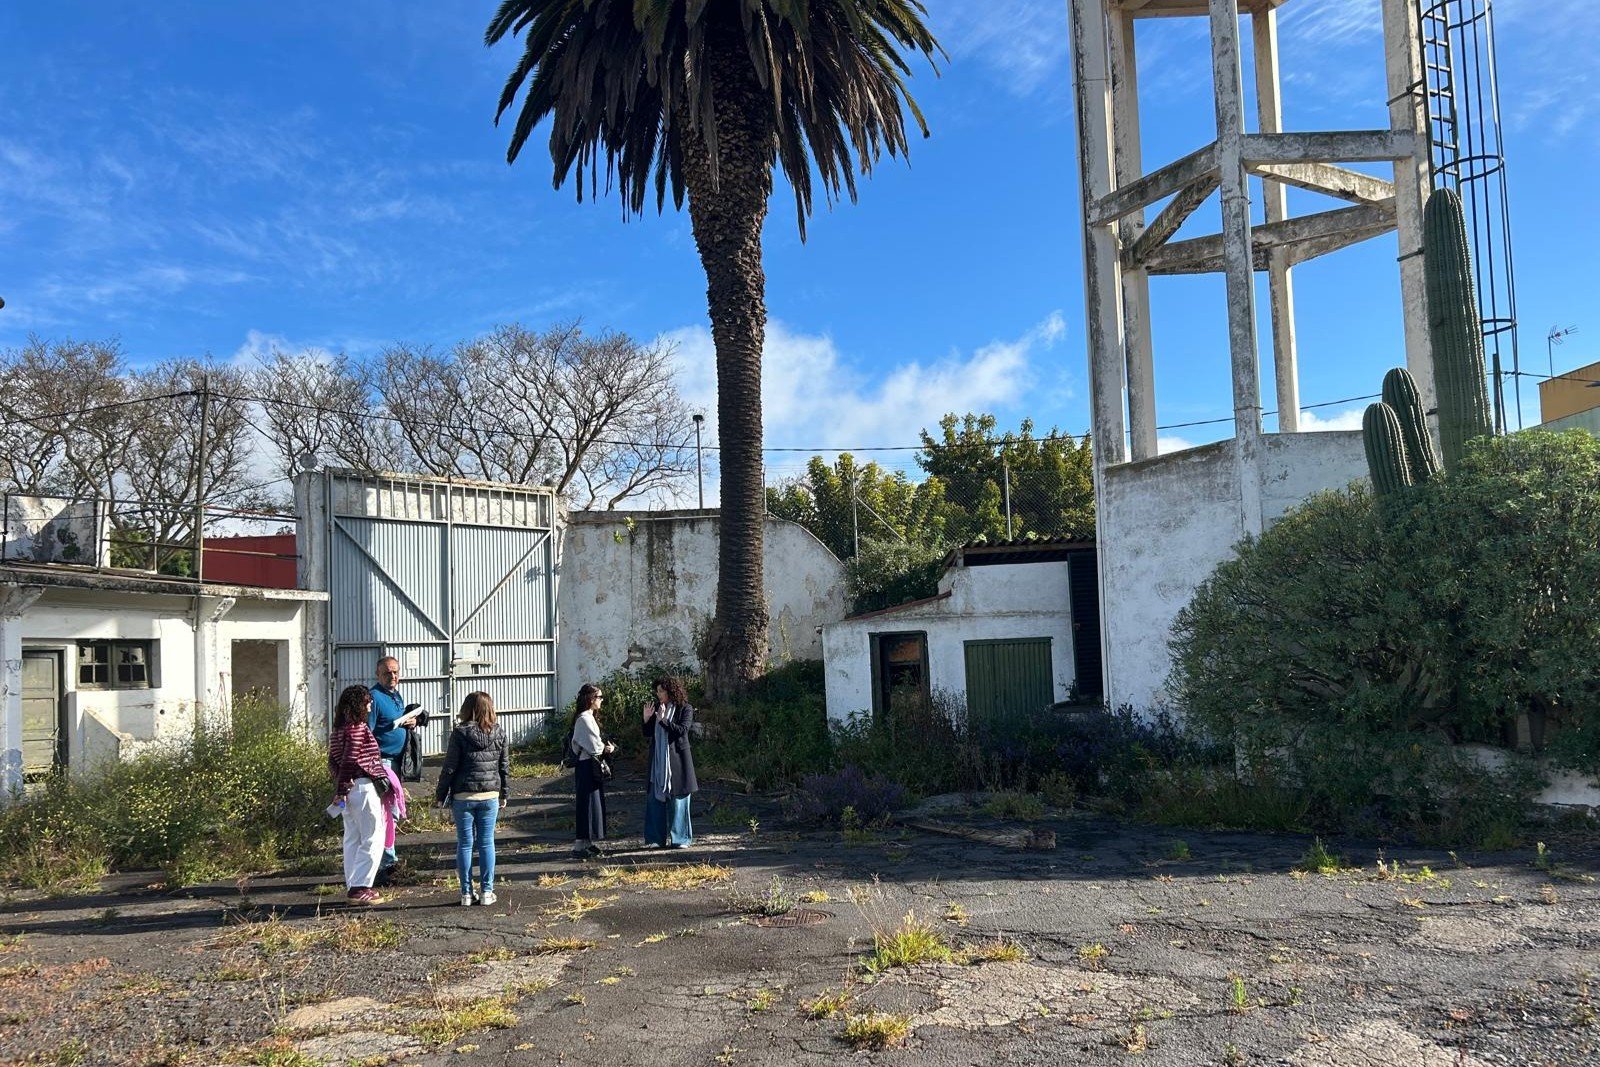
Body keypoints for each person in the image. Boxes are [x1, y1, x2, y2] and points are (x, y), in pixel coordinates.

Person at [435, 691, 509, 907]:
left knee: (465, 844)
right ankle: (487, 892)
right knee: (487, 843)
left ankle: (466, 893)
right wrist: (505, 792)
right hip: (490, 795)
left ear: (466, 709)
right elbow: (504, 767)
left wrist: (440, 795)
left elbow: (449, 767)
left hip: (463, 795)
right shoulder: (500, 733)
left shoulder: (459, 734)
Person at [328, 685, 389, 905]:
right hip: (362, 786)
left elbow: (334, 761)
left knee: (352, 838)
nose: (370, 705)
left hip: (350, 790)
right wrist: (344, 786)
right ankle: (361, 887)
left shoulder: (338, 729)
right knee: (373, 836)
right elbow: (351, 759)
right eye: (367, 701)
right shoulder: (357, 727)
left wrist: (341, 788)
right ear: (358, 704)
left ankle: (353, 884)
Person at [369, 655, 419, 879]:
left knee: (394, 809)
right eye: (388, 672)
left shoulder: (395, 695)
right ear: (378, 674)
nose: (393, 676)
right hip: (383, 761)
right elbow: (367, 733)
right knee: (389, 812)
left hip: (397, 761)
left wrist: (411, 721)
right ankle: (387, 862)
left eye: (396, 672)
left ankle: (387, 858)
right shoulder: (374, 697)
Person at [641, 675, 697, 849]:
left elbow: (682, 730)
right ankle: (655, 839)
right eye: (657, 691)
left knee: (679, 801)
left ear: (671, 691)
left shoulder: (685, 708)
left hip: (678, 762)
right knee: (654, 801)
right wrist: (646, 719)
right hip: (658, 763)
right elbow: (648, 733)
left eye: (661, 691)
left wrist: (664, 721)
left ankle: (681, 839)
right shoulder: (658, 708)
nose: (659, 695)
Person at [568, 684, 615, 858]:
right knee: (586, 804)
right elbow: (595, 746)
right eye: (599, 697)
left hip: (589, 765)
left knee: (591, 804)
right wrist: (607, 749)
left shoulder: (587, 717)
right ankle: (580, 845)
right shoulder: (584, 719)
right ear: (590, 699)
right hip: (586, 765)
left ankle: (587, 842)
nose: (601, 700)